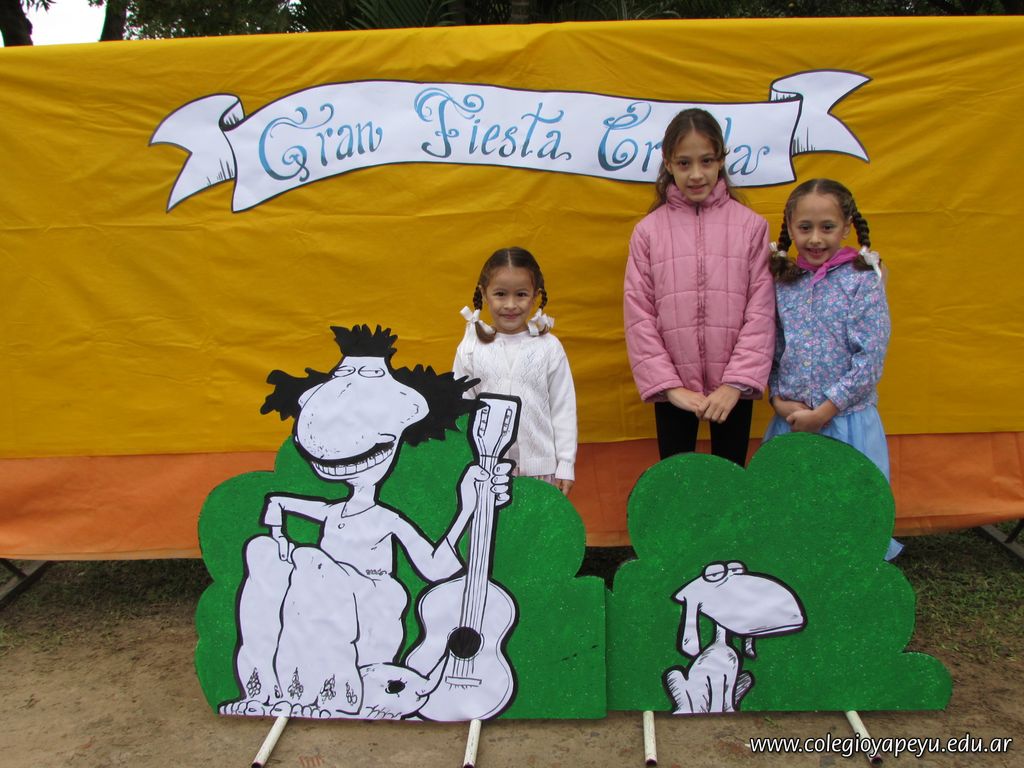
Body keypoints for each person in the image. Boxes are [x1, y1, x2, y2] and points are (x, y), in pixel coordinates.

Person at [624, 108, 775, 467]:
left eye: (706, 161)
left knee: (731, 480)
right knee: (677, 482)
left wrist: (735, 384)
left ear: (721, 160)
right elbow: (639, 315)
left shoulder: (751, 227)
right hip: (674, 391)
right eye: (684, 163)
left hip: (732, 392)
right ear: (668, 163)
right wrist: (670, 387)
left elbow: (761, 310)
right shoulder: (648, 232)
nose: (696, 174)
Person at [763, 178, 902, 560]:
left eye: (827, 227)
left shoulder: (862, 281)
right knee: (793, 506)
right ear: (790, 228)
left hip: (845, 422)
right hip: (792, 421)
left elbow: (870, 358)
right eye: (805, 227)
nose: (815, 239)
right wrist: (778, 400)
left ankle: (852, 575)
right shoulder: (783, 282)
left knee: (850, 506)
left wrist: (825, 411)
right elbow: (772, 349)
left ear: (846, 227)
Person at [454, 246, 577, 495]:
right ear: (484, 294)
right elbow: (460, 409)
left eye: (521, 294)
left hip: (542, 471)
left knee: (538, 522)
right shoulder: (470, 349)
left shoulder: (549, 348)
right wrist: (462, 460)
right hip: (486, 471)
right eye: (500, 294)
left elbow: (563, 409)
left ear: (535, 296)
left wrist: (565, 464)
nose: (510, 305)